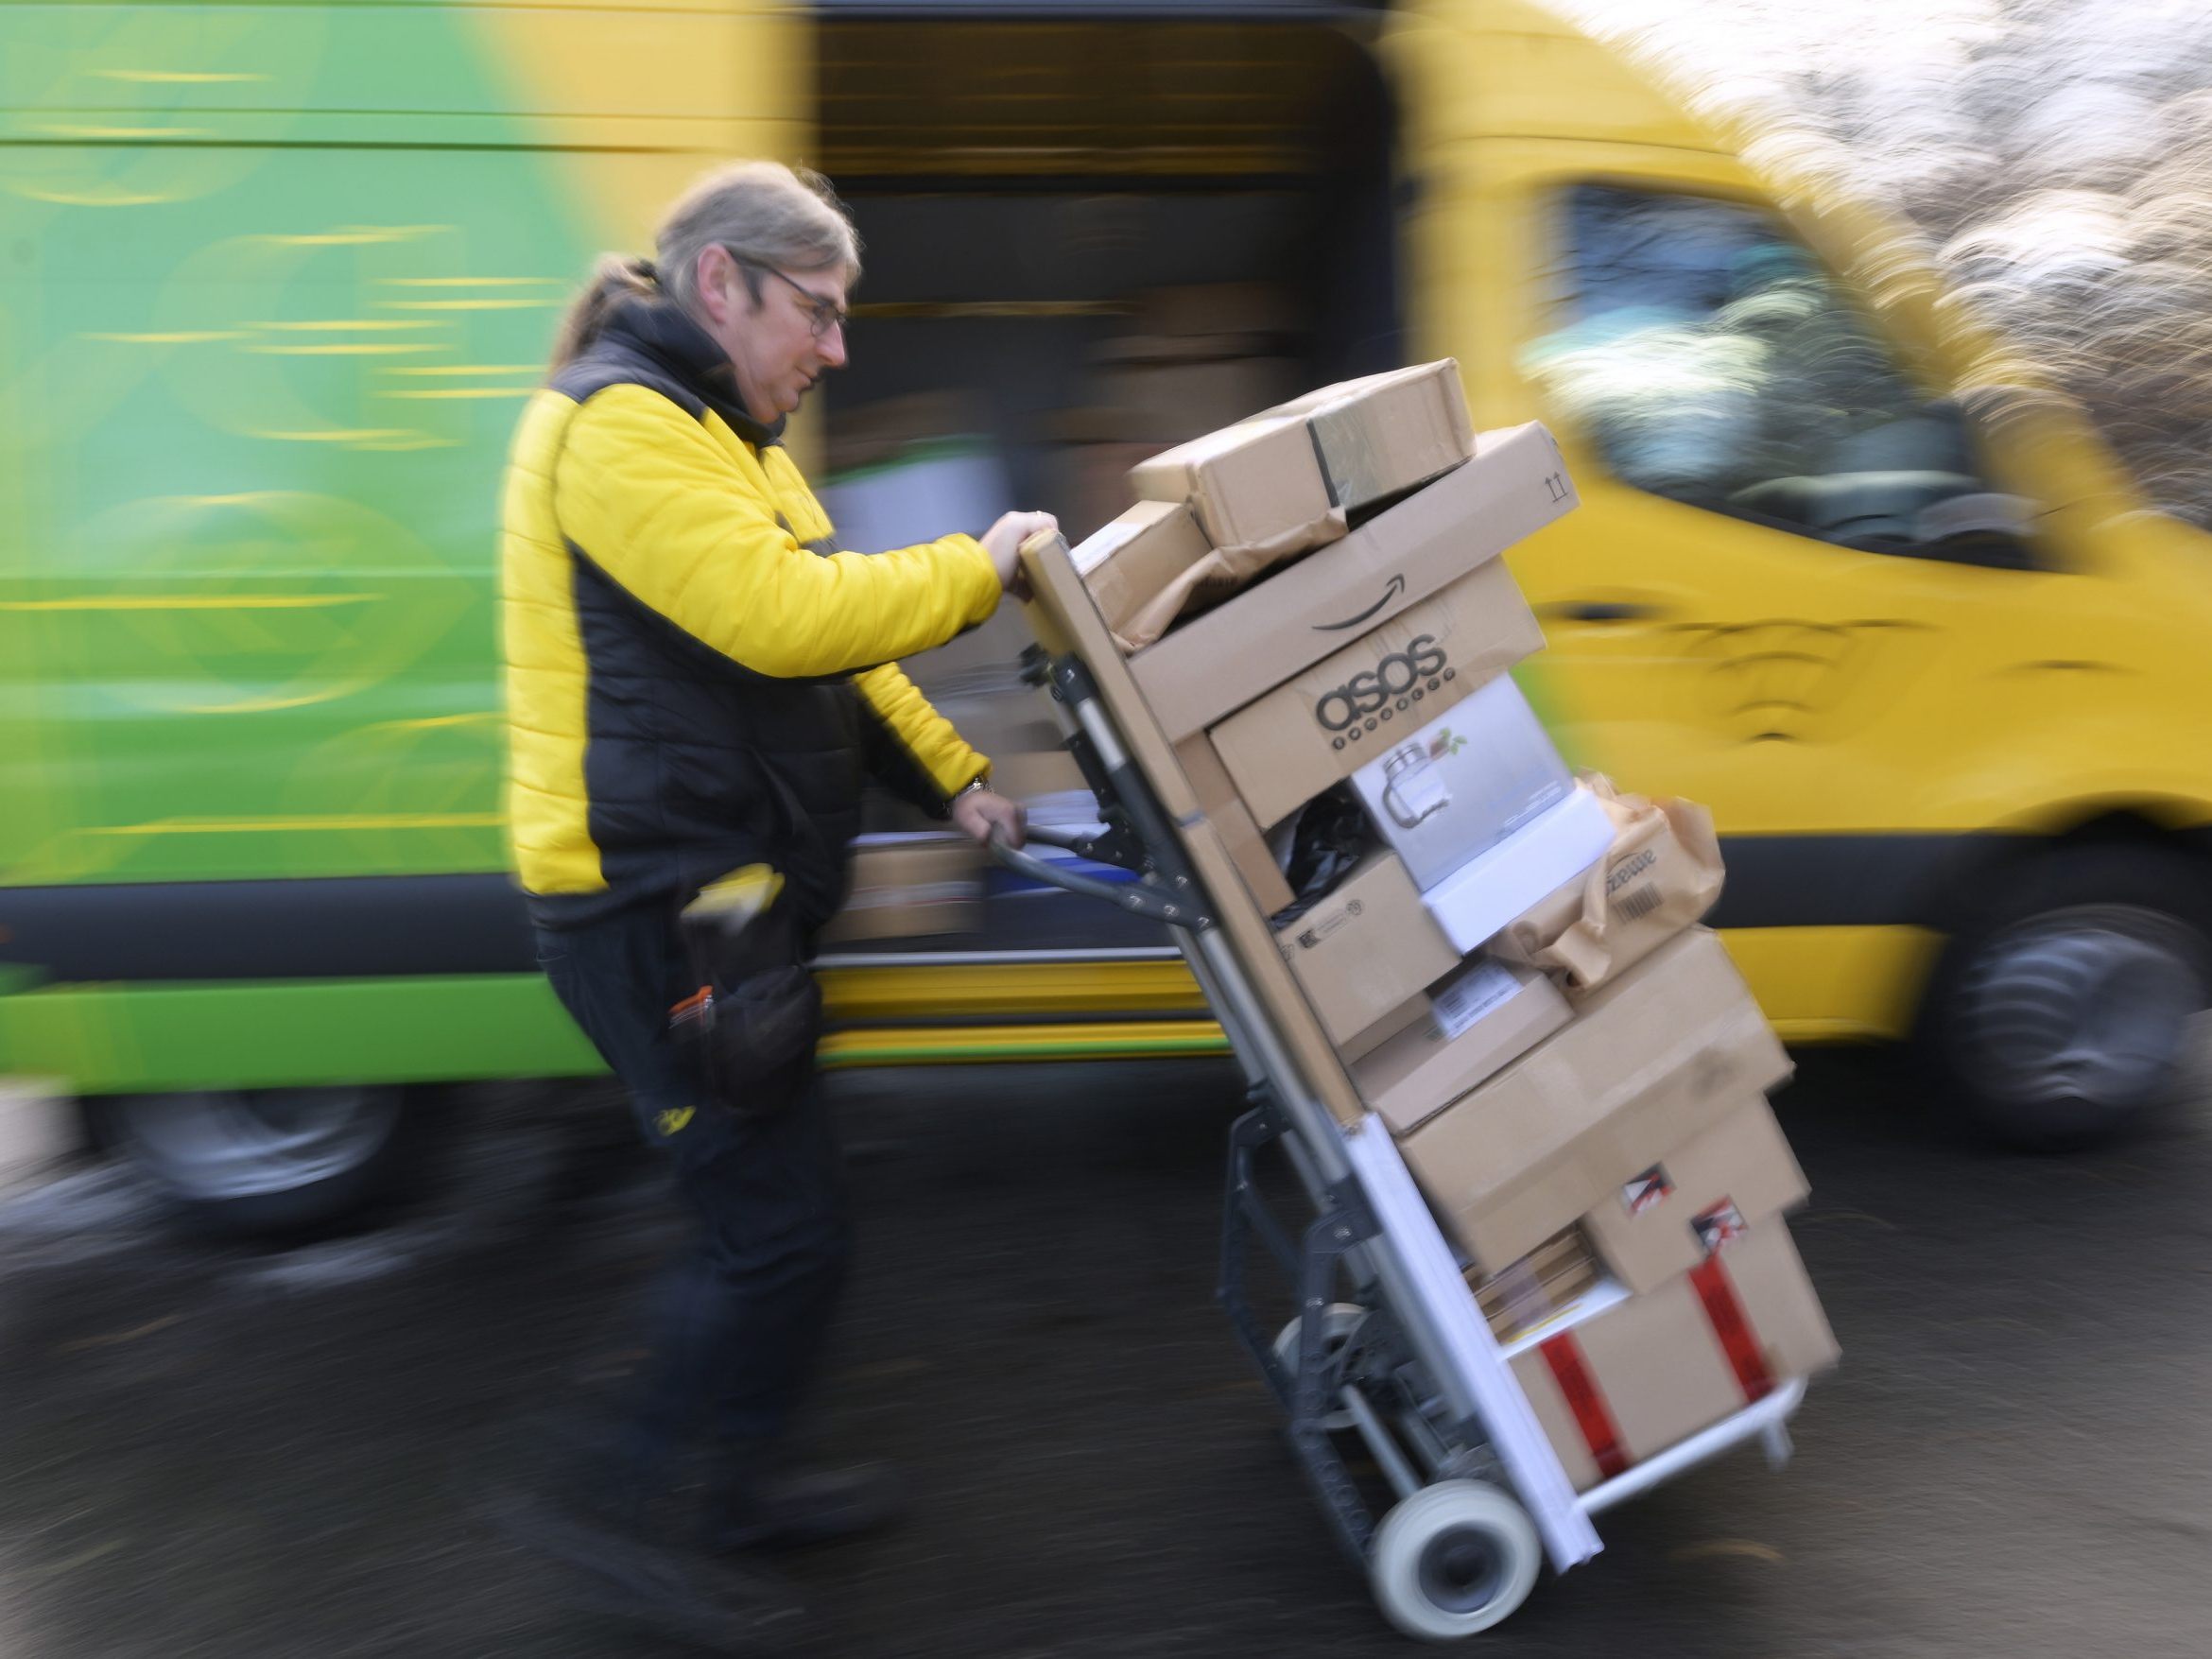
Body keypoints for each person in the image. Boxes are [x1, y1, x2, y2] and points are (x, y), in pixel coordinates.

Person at [497, 159, 1053, 1638]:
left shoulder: (727, 436)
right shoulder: (616, 429)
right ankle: (607, 1508)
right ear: (723, 284)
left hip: (724, 901)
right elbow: (780, 613)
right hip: (646, 910)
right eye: (821, 311)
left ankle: (741, 1490)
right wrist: (976, 571)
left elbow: (836, 659)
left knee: (790, 1225)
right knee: (770, 1234)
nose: (838, 348)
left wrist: (954, 782)